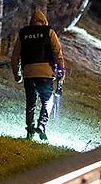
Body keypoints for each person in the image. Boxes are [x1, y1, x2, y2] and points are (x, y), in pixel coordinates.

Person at [11, 9, 65, 141]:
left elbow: (15, 56)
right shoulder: (49, 32)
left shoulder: (23, 34)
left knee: (30, 102)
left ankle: (30, 129)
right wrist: (61, 74)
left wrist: (17, 74)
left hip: (29, 73)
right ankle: (42, 124)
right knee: (47, 101)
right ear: (44, 21)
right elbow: (58, 54)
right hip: (45, 74)